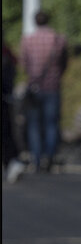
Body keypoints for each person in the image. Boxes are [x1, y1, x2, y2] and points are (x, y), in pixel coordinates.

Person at [19, 10, 68, 173]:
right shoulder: (58, 39)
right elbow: (64, 63)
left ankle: (37, 158)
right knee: (51, 124)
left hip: (34, 87)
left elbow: (23, 64)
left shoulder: (28, 40)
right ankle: (49, 157)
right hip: (53, 87)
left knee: (34, 124)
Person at [2, 40, 25, 183]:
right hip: (5, 98)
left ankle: (12, 163)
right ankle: (13, 162)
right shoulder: (6, 51)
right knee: (6, 133)